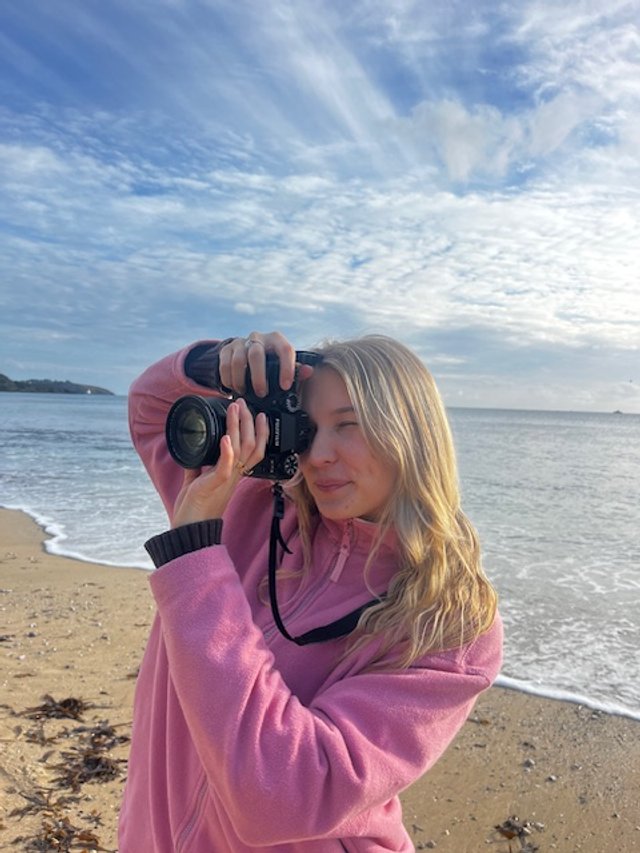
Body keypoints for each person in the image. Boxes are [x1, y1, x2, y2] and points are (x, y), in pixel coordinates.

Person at [119, 331, 502, 852]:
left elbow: (285, 795)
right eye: (308, 428)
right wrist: (221, 365)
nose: (318, 455)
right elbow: (151, 407)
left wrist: (194, 556)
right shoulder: (242, 504)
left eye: (349, 425)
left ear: (411, 435)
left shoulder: (448, 619)